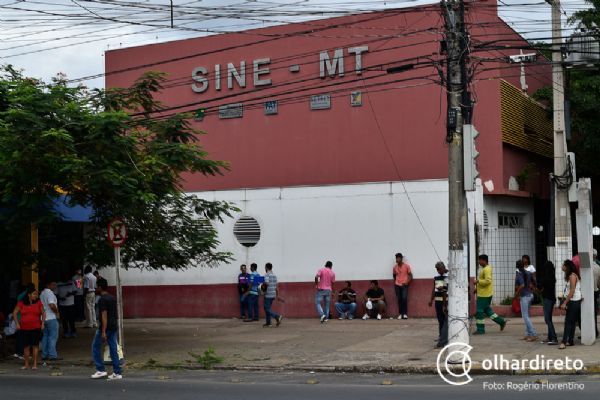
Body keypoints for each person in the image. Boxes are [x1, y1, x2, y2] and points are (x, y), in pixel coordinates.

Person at [91, 278, 122, 379]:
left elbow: (104, 316)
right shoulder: (112, 298)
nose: (96, 288)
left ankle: (100, 370)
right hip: (113, 326)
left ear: (100, 287)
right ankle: (117, 372)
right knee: (113, 349)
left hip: (105, 328)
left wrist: (103, 331)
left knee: (95, 347)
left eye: (96, 286)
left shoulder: (102, 300)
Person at [13, 286, 45, 370]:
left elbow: (43, 313)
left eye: (36, 294)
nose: (36, 296)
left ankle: (35, 364)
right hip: (24, 328)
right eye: (34, 294)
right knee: (26, 347)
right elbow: (15, 313)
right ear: (29, 295)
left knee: (35, 346)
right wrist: (17, 323)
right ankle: (26, 364)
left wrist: (43, 323)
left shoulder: (38, 302)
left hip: (36, 327)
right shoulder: (21, 303)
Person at [474, 254, 506, 335]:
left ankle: (480, 329)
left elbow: (488, 281)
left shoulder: (487, 269)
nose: (479, 262)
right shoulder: (485, 269)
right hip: (484, 293)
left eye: (480, 260)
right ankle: (501, 322)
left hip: (484, 295)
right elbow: (484, 281)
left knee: (479, 311)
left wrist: (478, 281)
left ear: (484, 260)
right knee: (487, 310)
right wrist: (477, 288)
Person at [559, 259, 582, 349]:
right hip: (575, 301)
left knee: (568, 322)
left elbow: (572, 291)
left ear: (567, 267)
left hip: (574, 301)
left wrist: (565, 303)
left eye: (563, 265)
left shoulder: (572, 276)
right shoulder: (572, 276)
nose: (562, 266)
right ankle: (570, 341)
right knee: (572, 322)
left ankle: (564, 342)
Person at [515, 260, 537, 341]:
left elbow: (522, 285)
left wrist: (516, 294)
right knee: (527, 315)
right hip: (530, 295)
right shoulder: (528, 272)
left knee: (525, 316)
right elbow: (533, 281)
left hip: (524, 296)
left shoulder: (519, 274)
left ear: (517, 267)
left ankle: (533, 334)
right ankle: (527, 334)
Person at [428, 262, 448, 346]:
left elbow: (444, 291)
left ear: (443, 268)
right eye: (437, 269)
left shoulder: (447, 277)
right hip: (437, 301)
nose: (438, 271)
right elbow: (434, 289)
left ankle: (444, 338)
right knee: (440, 320)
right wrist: (431, 299)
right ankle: (441, 336)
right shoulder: (437, 278)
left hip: (445, 301)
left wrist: (444, 305)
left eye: (439, 269)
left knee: (444, 320)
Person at [539, 261, 558, 345]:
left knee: (548, 319)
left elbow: (540, 286)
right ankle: (550, 337)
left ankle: (553, 337)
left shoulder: (546, 278)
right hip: (551, 298)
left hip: (547, 299)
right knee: (548, 318)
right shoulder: (552, 277)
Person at [40, 281, 60, 362]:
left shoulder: (42, 293)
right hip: (51, 317)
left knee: (45, 337)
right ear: (48, 284)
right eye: (53, 284)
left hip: (44, 318)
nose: (55, 286)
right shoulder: (49, 293)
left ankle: (44, 354)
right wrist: (57, 312)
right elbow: (51, 305)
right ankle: (52, 355)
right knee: (52, 337)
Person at [392, 253, 412, 320]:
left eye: (398, 258)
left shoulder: (406, 266)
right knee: (399, 299)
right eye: (396, 258)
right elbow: (394, 275)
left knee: (404, 299)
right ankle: (400, 314)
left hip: (404, 285)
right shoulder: (395, 267)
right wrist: (395, 282)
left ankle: (405, 314)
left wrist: (407, 282)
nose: (397, 259)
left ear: (401, 258)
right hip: (397, 285)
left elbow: (410, 276)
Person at [262, 263, 283, 327]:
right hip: (273, 294)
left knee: (266, 308)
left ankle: (277, 316)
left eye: (265, 267)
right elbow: (276, 286)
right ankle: (268, 323)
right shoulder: (274, 275)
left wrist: (263, 288)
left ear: (266, 268)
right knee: (268, 308)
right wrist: (277, 295)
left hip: (268, 294)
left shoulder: (266, 275)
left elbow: (267, 284)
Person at [57, 273, 77, 338]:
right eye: (64, 276)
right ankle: (66, 332)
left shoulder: (71, 283)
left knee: (71, 319)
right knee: (64, 320)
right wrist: (60, 298)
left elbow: (75, 291)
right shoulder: (58, 284)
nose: (65, 278)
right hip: (62, 305)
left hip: (70, 304)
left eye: (66, 277)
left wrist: (70, 293)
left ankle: (73, 332)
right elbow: (56, 294)